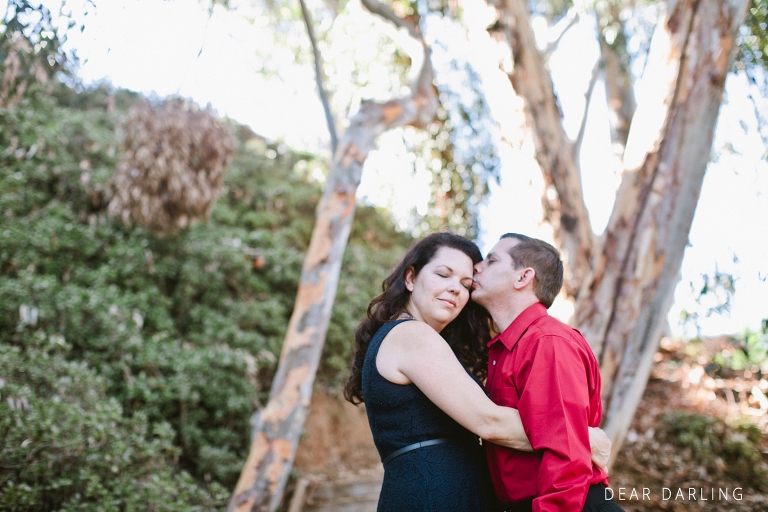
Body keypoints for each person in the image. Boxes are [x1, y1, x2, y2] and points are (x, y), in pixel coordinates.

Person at [343, 232, 611, 512]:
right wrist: (579, 438)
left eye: (465, 283)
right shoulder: (411, 334)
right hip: (430, 497)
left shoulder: (536, 341)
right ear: (410, 278)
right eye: (443, 274)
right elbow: (489, 421)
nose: (456, 289)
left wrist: (570, 439)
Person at [471, 233, 623, 511]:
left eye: (491, 260)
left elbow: (566, 455)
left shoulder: (547, 342)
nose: (477, 267)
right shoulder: (506, 349)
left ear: (523, 277)